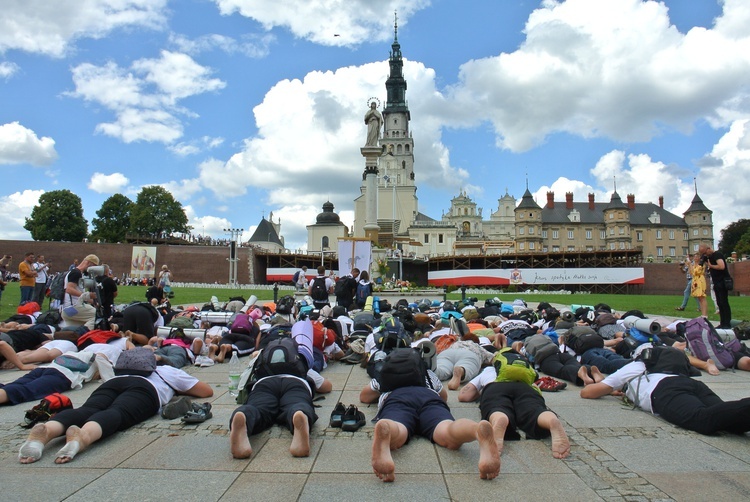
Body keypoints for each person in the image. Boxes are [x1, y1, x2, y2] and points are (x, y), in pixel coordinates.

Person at [18, 363, 213, 464]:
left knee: (87, 410)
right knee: (118, 412)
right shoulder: (167, 370)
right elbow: (205, 391)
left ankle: (47, 431)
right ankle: (83, 436)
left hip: (112, 383)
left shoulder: (125, 369)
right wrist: (177, 389)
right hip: (145, 389)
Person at [359, 350, 500, 482]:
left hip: (397, 399)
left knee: (398, 429)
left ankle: (387, 428)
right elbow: (443, 396)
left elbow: (364, 396)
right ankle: (475, 430)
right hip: (429, 398)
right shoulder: (427, 374)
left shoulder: (383, 374)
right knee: (447, 430)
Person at [580, 345, 750, 435]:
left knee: (702, 420)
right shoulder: (668, 363)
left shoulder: (637, 365)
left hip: (664, 390)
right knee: (730, 422)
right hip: (691, 384)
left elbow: (588, 393)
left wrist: (603, 386)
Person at [229, 321, 332, 460]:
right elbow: (326, 386)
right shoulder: (299, 357)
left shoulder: (262, 354)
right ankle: (299, 414)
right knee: (297, 404)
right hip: (295, 383)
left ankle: (244, 416)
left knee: (257, 408)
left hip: (264, 383)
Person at [458, 366, 571, 469]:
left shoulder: (488, 370)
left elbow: (464, 395)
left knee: (496, 406)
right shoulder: (523, 368)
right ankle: (550, 420)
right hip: (525, 388)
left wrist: (482, 392)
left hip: (495, 387)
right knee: (535, 410)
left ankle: (499, 418)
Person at [699, 243, 732, 328]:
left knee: (724, 302)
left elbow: (721, 266)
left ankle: (727, 323)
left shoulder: (717, 254)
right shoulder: (709, 257)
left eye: (705, 253)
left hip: (722, 281)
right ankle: (722, 323)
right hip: (716, 282)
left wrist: (711, 266)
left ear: (709, 249)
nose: (705, 255)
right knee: (719, 303)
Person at [689, 253, 708, 318]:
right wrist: (689, 266)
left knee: (702, 297)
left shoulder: (701, 264)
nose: (695, 258)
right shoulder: (694, 264)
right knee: (699, 298)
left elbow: (696, 272)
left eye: (697, 256)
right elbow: (691, 273)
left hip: (700, 280)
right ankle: (702, 313)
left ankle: (705, 314)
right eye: (695, 256)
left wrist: (690, 265)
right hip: (695, 280)